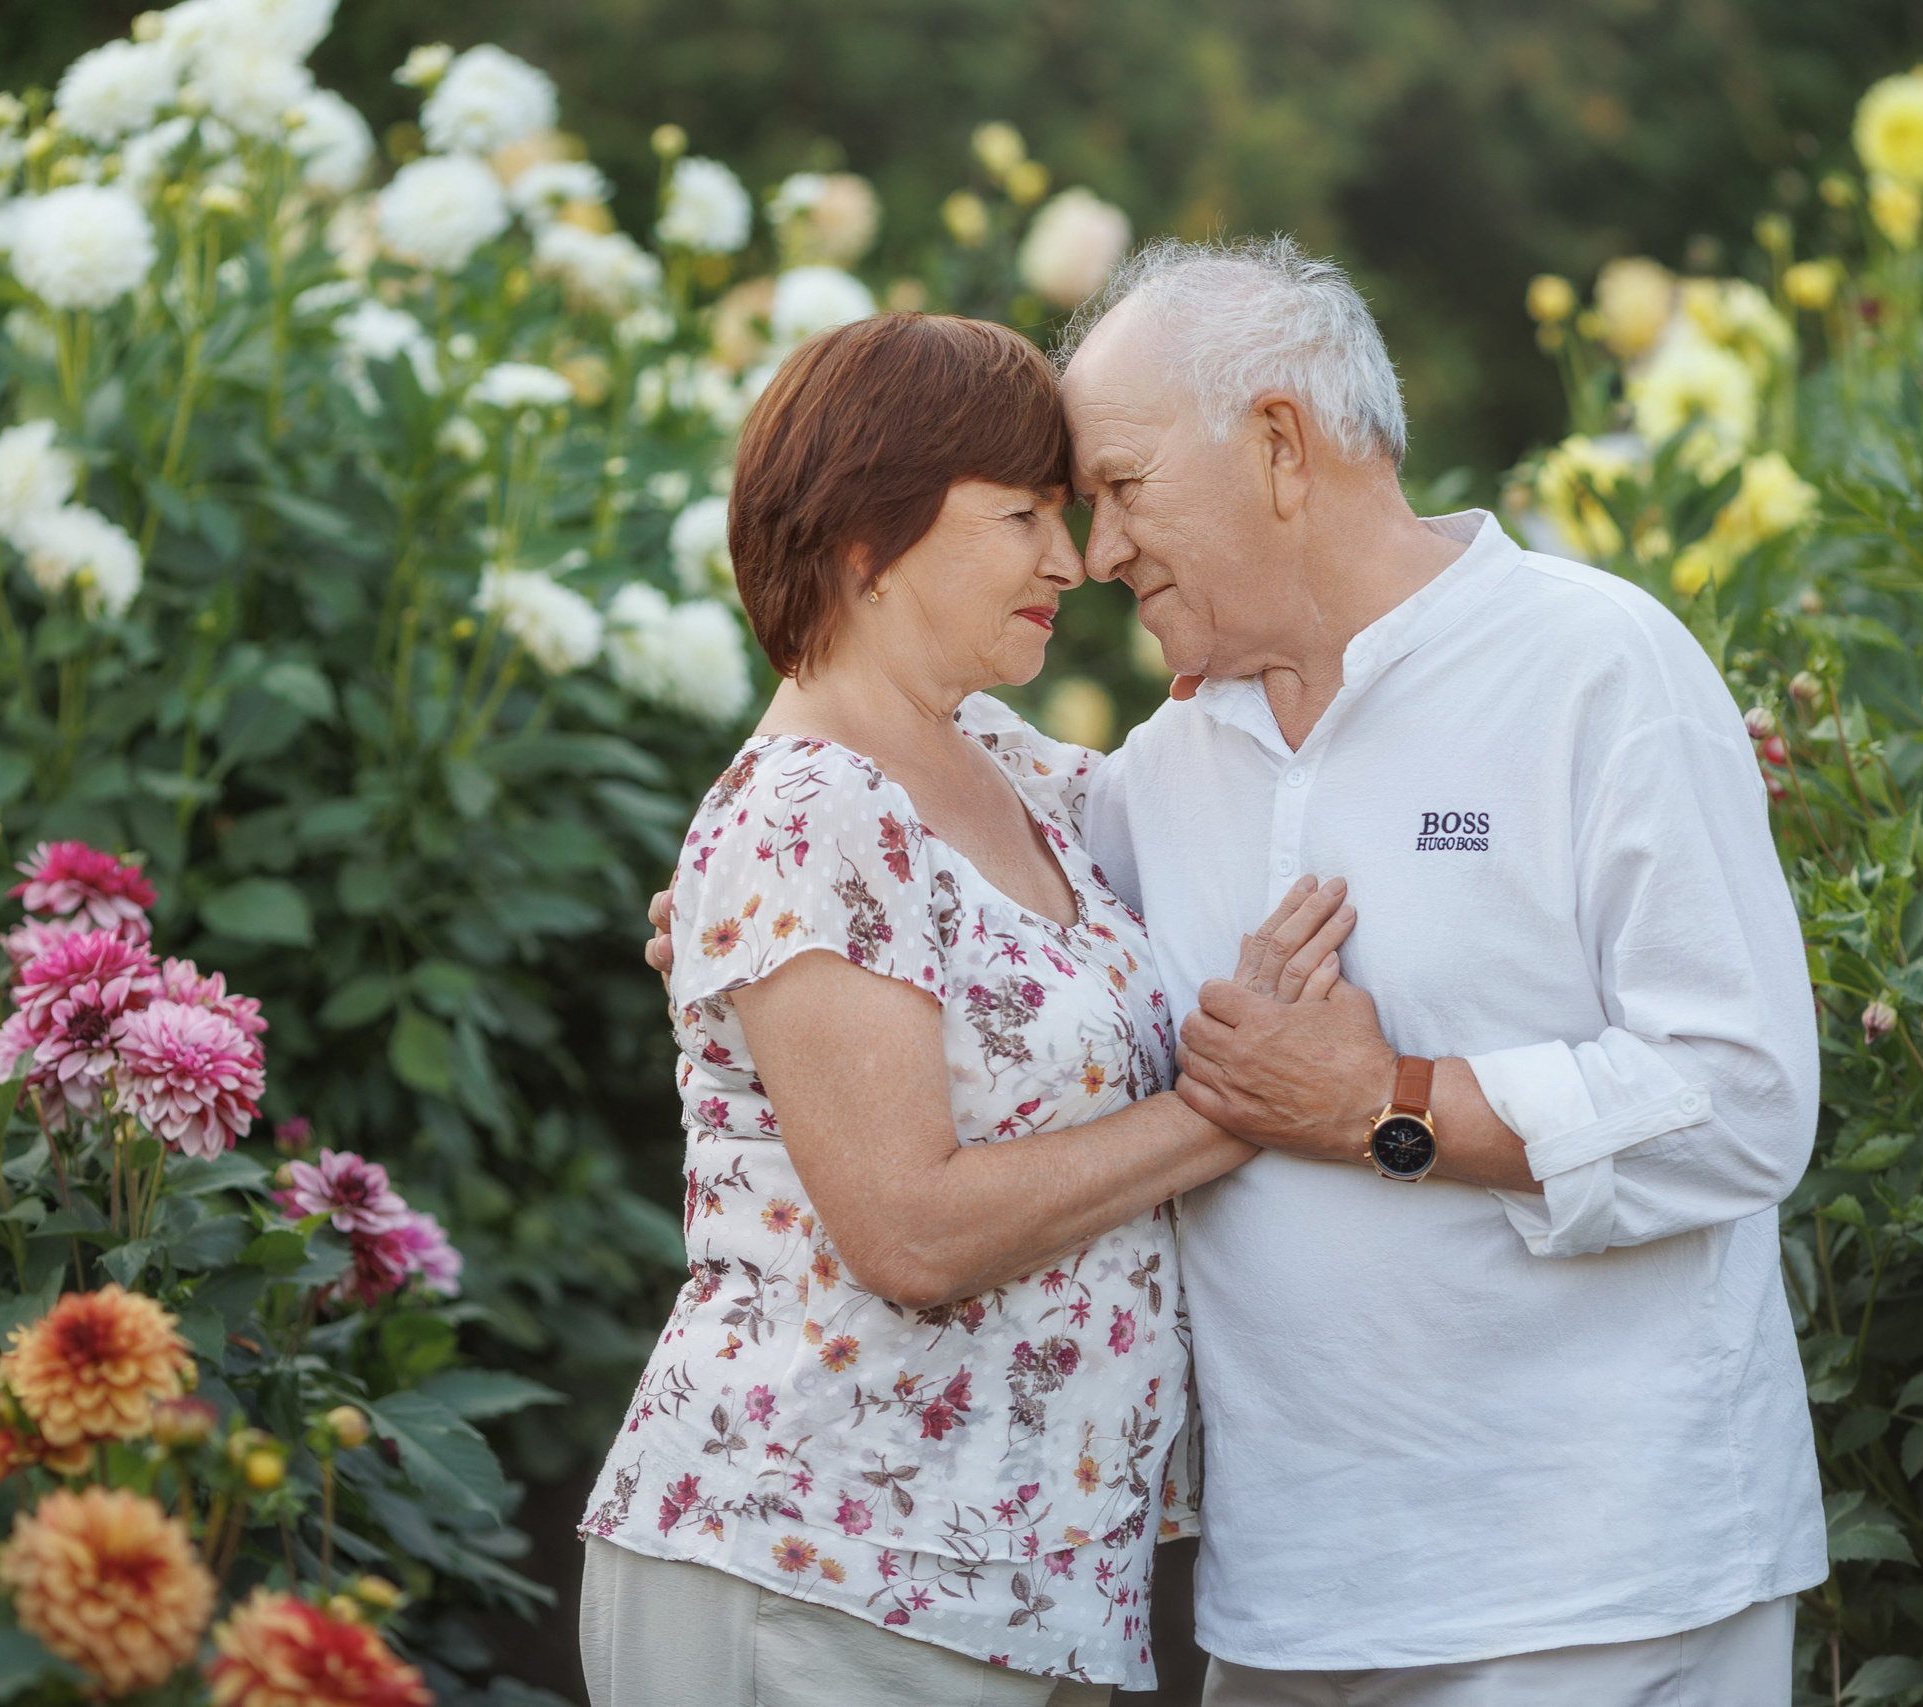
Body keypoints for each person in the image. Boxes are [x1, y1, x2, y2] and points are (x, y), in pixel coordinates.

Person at [651, 239, 1825, 1705]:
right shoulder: (1160, 775)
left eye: (1123, 490)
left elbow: (1746, 1096)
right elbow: (893, 844)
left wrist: (1391, 1103)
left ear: (1279, 444)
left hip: (1596, 1589)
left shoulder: (1596, 669)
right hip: (1281, 1611)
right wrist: (729, 910)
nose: (1100, 554)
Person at [579, 311, 1353, 1707]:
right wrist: (1233, 1111)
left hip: (1022, 1589)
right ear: (866, 535)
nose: (1072, 560)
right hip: (817, 1567)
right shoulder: (808, 810)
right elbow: (911, 1231)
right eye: (1022, 518)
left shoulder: (1006, 768)